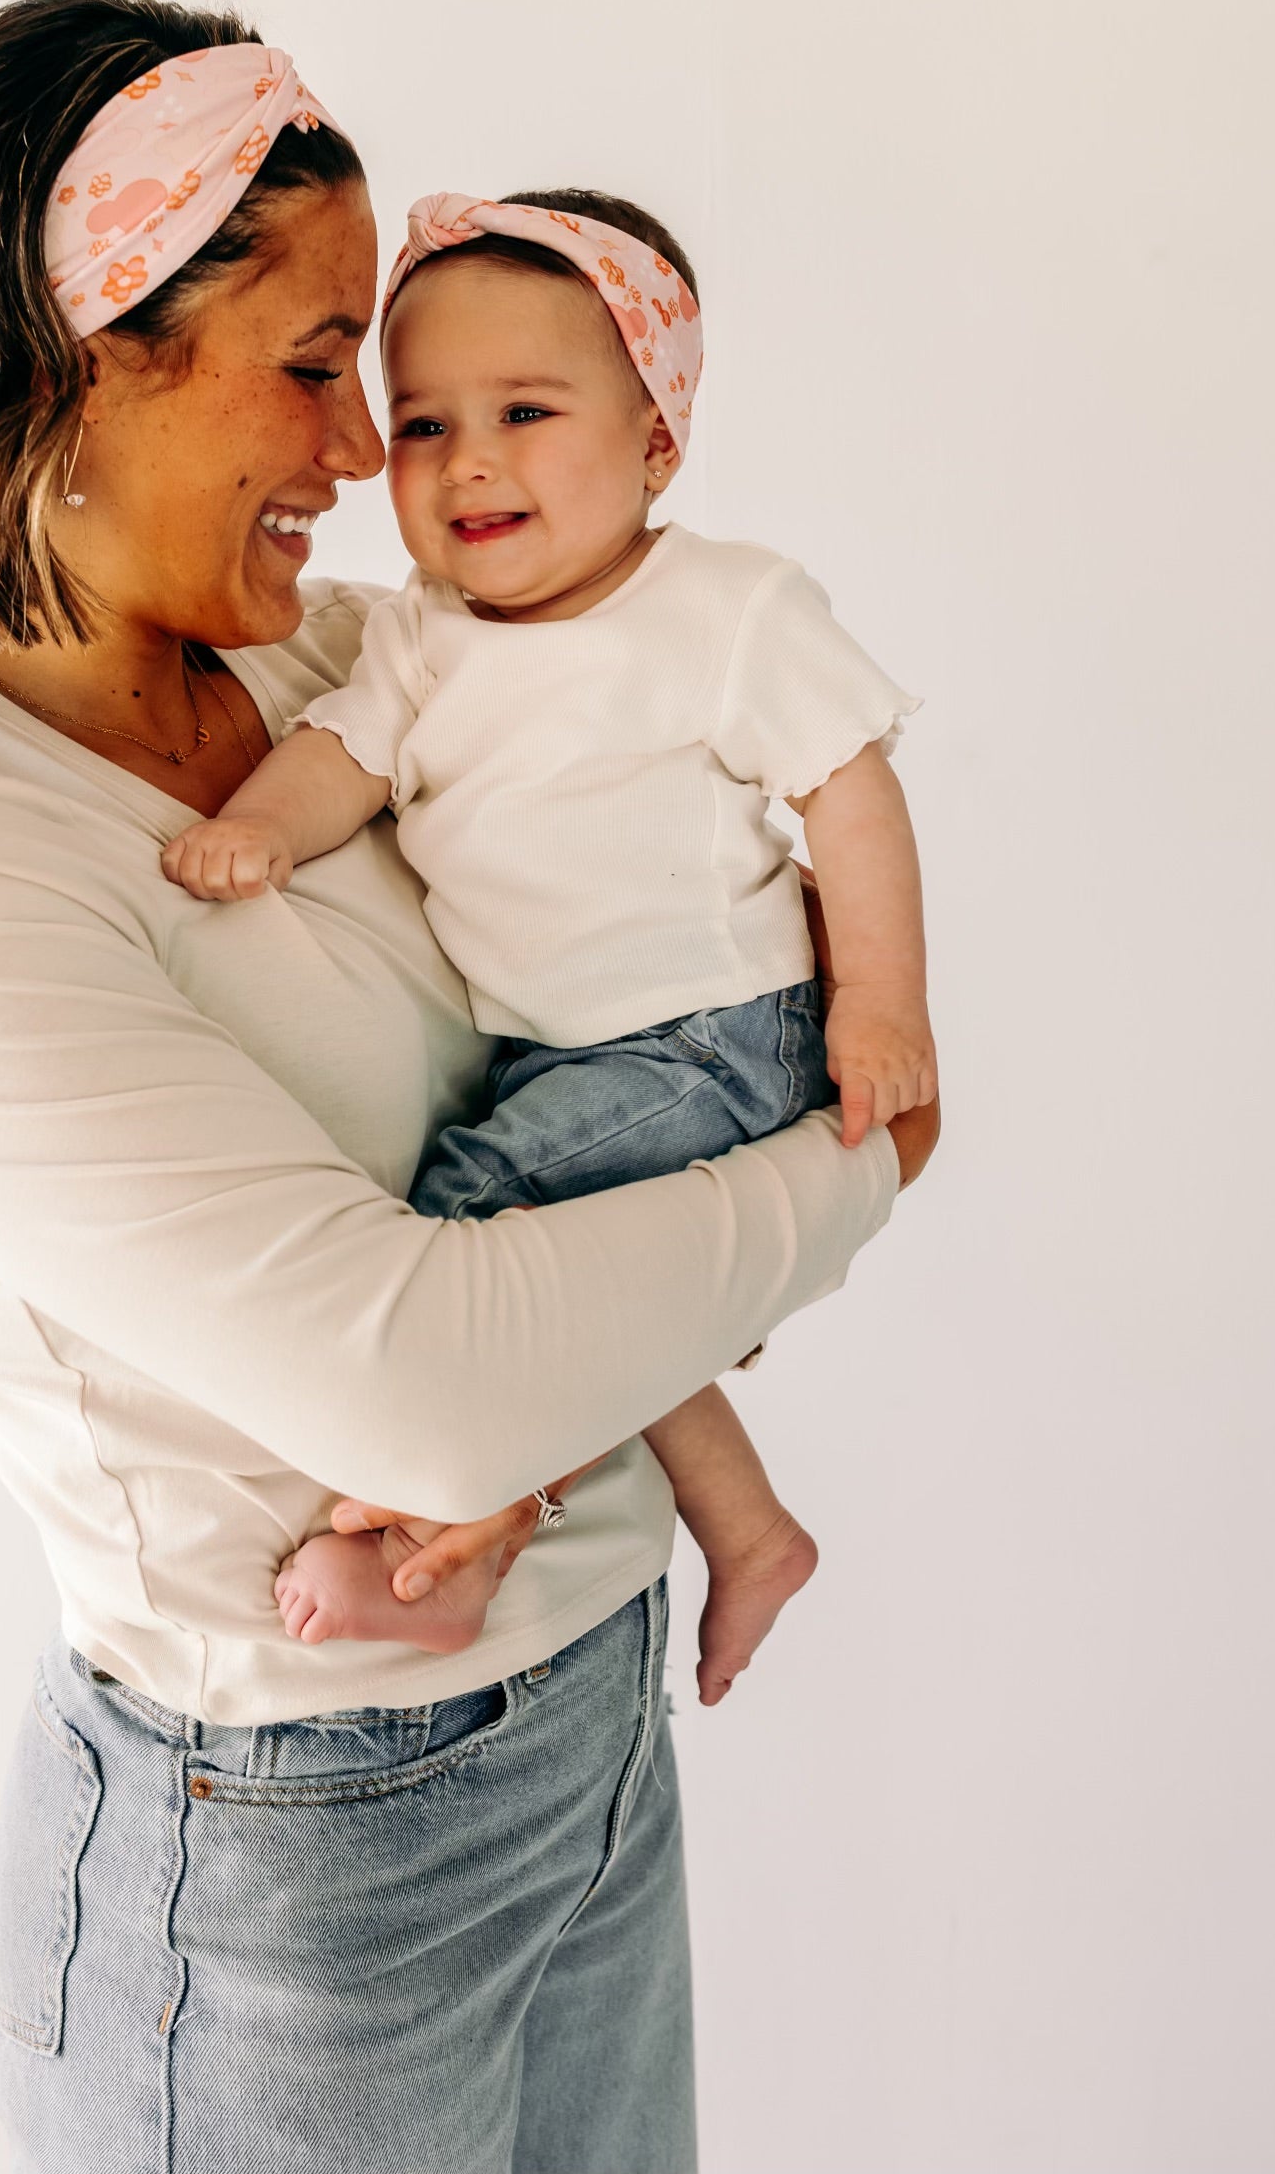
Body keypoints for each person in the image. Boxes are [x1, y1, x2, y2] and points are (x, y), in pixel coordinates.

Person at [0, 0, 937, 2174]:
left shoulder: (331, 663)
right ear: (75, 362)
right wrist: (863, 1165)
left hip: (591, 1721)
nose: (371, 454)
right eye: (311, 366)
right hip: (291, 1865)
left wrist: (750, 1135)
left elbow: (686, 945)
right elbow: (436, 1397)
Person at [164, 188, 935, 1705]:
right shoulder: (420, 631)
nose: (469, 460)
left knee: (476, 1227)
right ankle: (752, 1529)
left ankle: (461, 1533)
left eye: (525, 410)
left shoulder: (724, 608)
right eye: (425, 423)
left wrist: (884, 1006)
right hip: (560, 1047)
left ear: (656, 441)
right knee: (599, 1305)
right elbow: (345, 754)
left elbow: (850, 793)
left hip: (715, 1029)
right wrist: (260, 827)